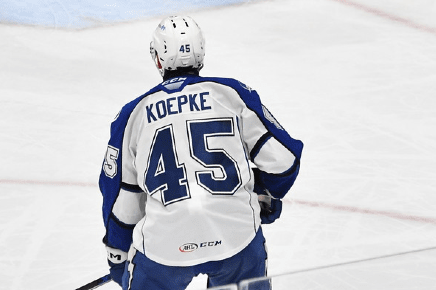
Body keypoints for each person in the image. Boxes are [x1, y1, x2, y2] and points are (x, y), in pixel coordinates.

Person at [99, 16, 304, 289]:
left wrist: (118, 256)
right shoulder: (232, 94)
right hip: (236, 240)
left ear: (157, 58)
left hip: (164, 248)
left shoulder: (133, 115)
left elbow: (123, 199)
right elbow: (284, 162)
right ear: (202, 52)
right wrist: (263, 190)